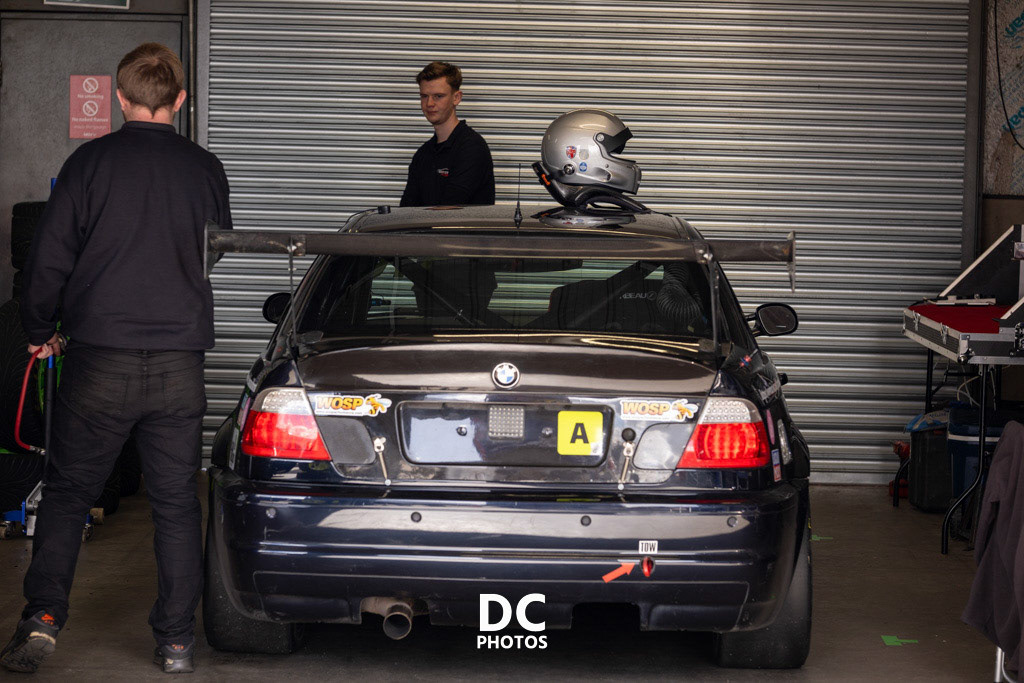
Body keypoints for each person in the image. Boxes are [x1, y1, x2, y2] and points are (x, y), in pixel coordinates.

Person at [0, 42, 231, 675]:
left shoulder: (89, 162)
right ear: (179, 101)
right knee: (179, 502)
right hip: (180, 363)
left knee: (71, 492)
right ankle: (177, 642)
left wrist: (39, 327)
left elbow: (49, 257)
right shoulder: (205, 168)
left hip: (100, 360)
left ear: (121, 99)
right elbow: (217, 248)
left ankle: (42, 620)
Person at [400, 61, 495, 206]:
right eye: (424, 96)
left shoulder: (472, 148)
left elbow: (449, 210)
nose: (429, 103)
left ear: (456, 98)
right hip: (426, 229)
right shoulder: (422, 155)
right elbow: (406, 211)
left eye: (438, 96)